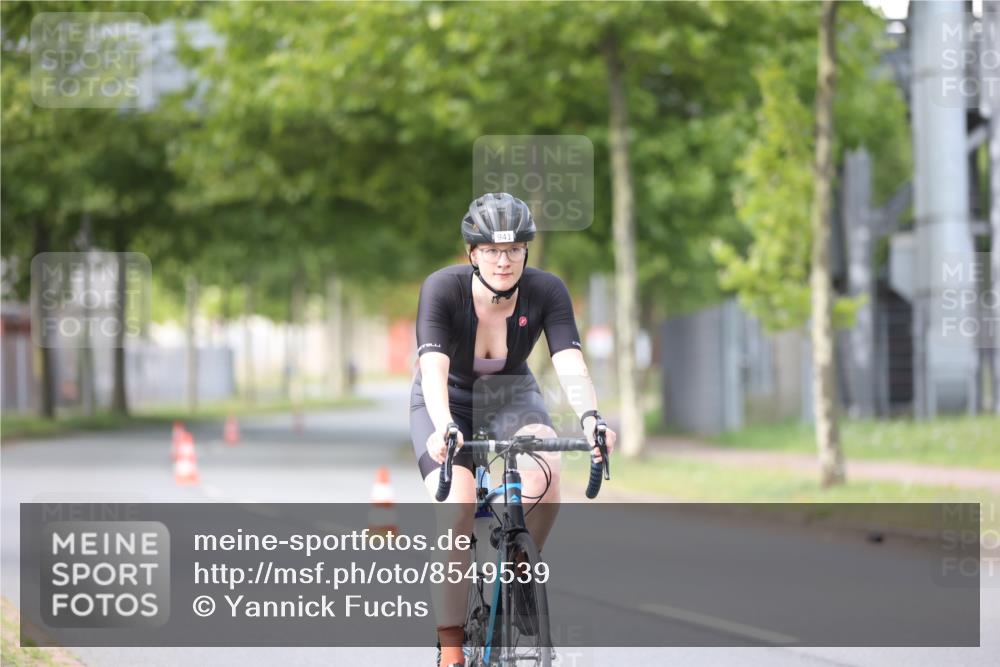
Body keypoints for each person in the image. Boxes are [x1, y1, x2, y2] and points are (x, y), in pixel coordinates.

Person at [409, 192, 617, 667]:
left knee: (546, 470)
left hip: (511, 396)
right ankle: (451, 648)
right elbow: (434, 371)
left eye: (514, 250)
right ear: (472, 254)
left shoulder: (547, 291)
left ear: (526, 250)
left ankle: (521, 565)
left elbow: (569, 363)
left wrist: (590, 418)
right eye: (491, 251)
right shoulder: (443, 289)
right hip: (447, 400)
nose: (504, 261)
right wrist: (443, 427)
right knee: (458, 512)